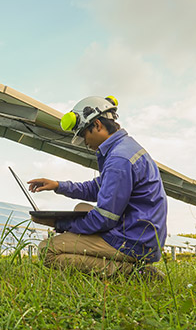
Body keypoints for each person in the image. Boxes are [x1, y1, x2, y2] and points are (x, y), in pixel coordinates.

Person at [28, 96, 167, 279]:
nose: (85, 142)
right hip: (141, 232)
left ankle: (135, 273)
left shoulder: (119, 160)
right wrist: (58, 186)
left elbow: (104, 219)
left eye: (84, 134)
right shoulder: (125, 148)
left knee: (48, 250)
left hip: (133, 240)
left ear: (98, 125)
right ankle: (130, 265)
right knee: (81, 209)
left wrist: (58, 223)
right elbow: (97, 188)